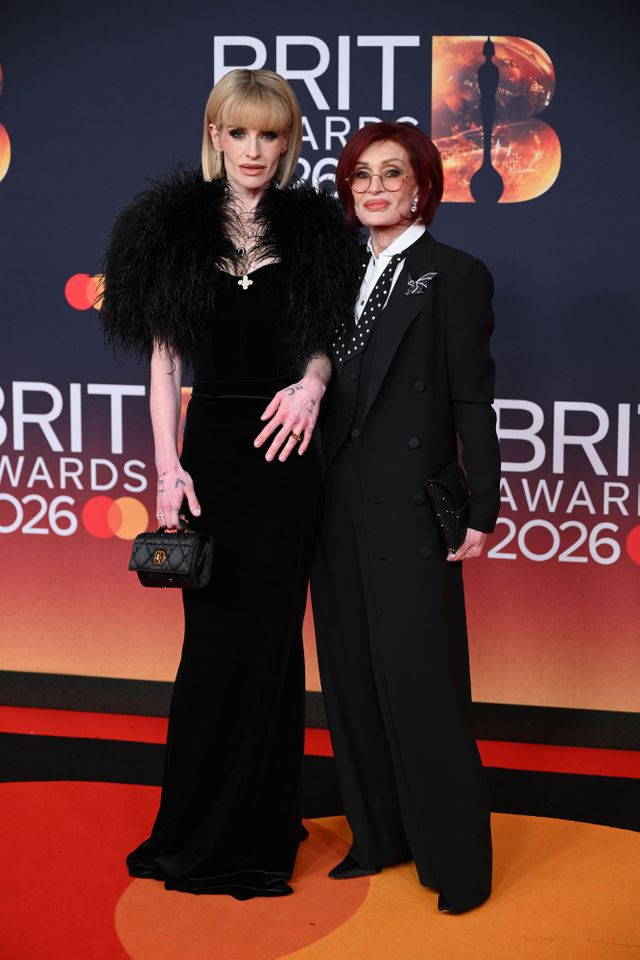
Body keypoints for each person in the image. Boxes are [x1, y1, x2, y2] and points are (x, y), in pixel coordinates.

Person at [100, 69, 359, 899]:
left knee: (275, 646)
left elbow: (325, 337)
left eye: (271, 135)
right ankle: (196, 829)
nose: (255, 150)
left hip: (287, 453)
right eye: (239, 132)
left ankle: (258, 832)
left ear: (288, 144)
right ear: (215, 134)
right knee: (212, 646)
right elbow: (164, 364)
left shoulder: (316, 230)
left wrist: (313, 384)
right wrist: (166, 467)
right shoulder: (171, 231)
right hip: (209, 451)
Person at [310, 122, 501, 914]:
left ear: (423, 184)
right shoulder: (332, 272)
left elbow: (471, 399)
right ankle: (376, 835)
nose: (376, 187)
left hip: (412, 506)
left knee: (423, 683)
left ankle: (456, 864)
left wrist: (482, 508)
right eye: (361, 176)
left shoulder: (454, 273)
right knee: (351, 674)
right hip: (332, 500)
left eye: (392, 173)